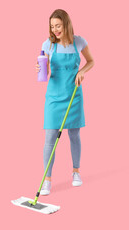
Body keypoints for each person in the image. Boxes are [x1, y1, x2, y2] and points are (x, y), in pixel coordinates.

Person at [36, 9, 94, 195]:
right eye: (52, 27)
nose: (55, 30)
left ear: (66, 24)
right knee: (50, 138)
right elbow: (44, 73)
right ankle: (47, 180)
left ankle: (76, 172)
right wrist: (40, 66)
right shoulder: (48, 44)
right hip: (54, 96)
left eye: (58, 26)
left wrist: (82, 71)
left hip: (74, 94)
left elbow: (91, 61)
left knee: (74, 135)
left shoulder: (79, 41)